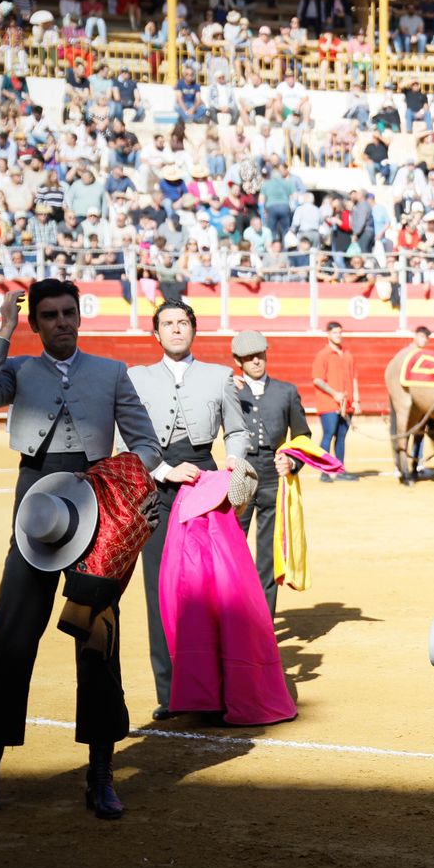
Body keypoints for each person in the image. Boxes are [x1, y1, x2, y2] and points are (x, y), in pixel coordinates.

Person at [0, 281, 160, 824]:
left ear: (80, 316)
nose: (61, 322)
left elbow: (147, 444)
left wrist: (116, 482)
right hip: (36, 511)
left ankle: (101, 776)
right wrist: (3, 329)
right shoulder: (19, 370)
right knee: (11, 637)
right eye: (49, 315)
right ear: (35, 323)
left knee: (97, 641)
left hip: (97, 507)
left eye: (68, 312)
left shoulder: (111, 372)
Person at [127, 301, 248, 719]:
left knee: (210, 591)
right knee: (160, 588)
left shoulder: (219, 376)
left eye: (183, 323)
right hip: (155, 485)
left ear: (193, 330)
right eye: (168, 324)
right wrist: (162, 470)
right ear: (156, 334)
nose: (176, 329)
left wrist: (234, 462)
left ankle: (214, 690)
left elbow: (236, 430)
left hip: (204, 486)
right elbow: (126, 437)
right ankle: (171, 693)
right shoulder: (137, 378)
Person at [230, 329, 312, 614]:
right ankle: (235, 615)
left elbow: (302, 435)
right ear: (238, 361)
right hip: (240, 473)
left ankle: (264, 622)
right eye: (248, 357)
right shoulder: (230, 391)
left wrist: (292, 461)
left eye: (260, 355)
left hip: (274, 475)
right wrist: (224, 386)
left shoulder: (286, 391)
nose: (256, 361)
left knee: (269, 551)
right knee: (232, 547)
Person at [310, 320, 359, 482]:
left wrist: (356, 400)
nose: (338, 335)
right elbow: (317, 379)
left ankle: (339, 470)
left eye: (340, 332)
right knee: (328, 435)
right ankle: (324, 472)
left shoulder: (347, 354)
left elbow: (354, 378)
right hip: (328, 403)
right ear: (328, 334)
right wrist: (334, 394)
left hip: (347, 404)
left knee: (341, 437)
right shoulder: (323, 355)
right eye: (335, 333)